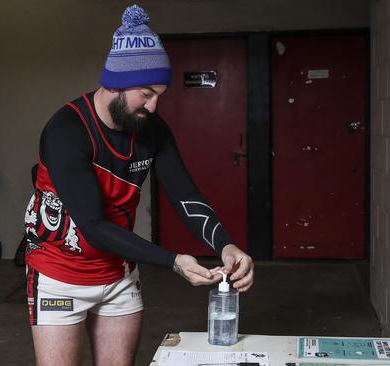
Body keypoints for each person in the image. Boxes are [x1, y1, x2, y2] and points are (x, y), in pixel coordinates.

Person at [22, 4, 254, 365]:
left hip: (118, 275)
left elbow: (185, 195)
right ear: (114, 83)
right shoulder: (66, 130)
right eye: (146, 93)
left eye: (160, 93)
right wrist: (172, 260)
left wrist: (225, 245)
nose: (154, 105)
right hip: (59, 275)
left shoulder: (151, 129)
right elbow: (93, 226)